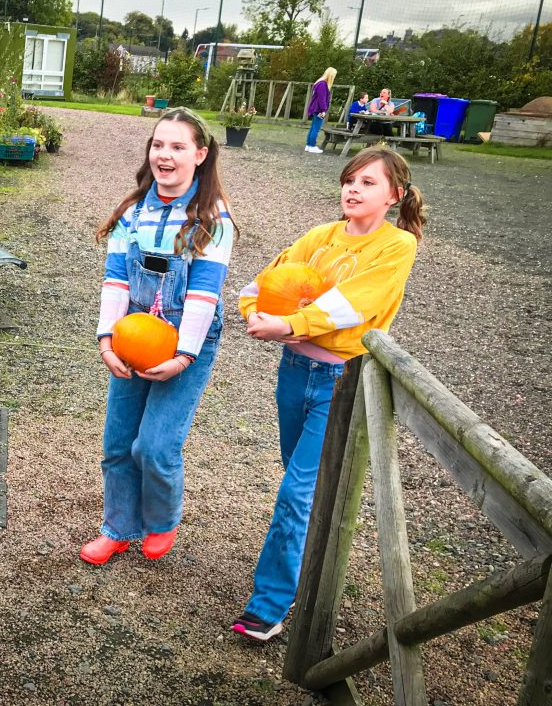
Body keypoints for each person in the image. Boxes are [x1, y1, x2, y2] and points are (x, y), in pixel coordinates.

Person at [232, 146, 425, 641]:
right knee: (306, 489)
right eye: (349, 180)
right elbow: (265, 281)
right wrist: (253, 312)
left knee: (297, 492)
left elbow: (354, 305)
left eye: (368, 183)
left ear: (394, 195)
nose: (353, 189)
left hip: (341, 383)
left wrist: (291, 322)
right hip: (294, 373)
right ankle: (310, 566)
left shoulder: (396, 246)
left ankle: (270, 604)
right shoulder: (320, 236)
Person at [81, 108, 236, 565]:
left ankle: (163, 518)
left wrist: (184, 355)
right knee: (117, 443)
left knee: (155, 446)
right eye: (158, 145)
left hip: (188, 339)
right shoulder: (132, 212)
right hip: (134, 334)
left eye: (177, 147)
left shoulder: (211, 219)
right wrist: (107, 340)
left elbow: (204, 295)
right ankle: (118, 527)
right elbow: (116, 281)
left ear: (200, 155)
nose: (164, 156)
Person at [304, 67, 336, 154]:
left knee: (313, 128)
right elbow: (321, 99)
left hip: (316, 108)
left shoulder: (319, 83)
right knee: (316, 128)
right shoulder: (323, 84)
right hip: (319, 109)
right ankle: (312, 146)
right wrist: (323, 110)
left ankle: (308, 145)